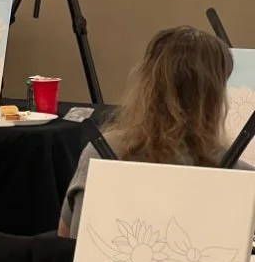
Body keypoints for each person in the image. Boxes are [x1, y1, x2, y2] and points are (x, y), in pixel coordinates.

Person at [59, 26, 252, 239]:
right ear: (216, 96)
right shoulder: (241, 177)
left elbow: (67, 243)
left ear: (146, 85)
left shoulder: (100, 154)